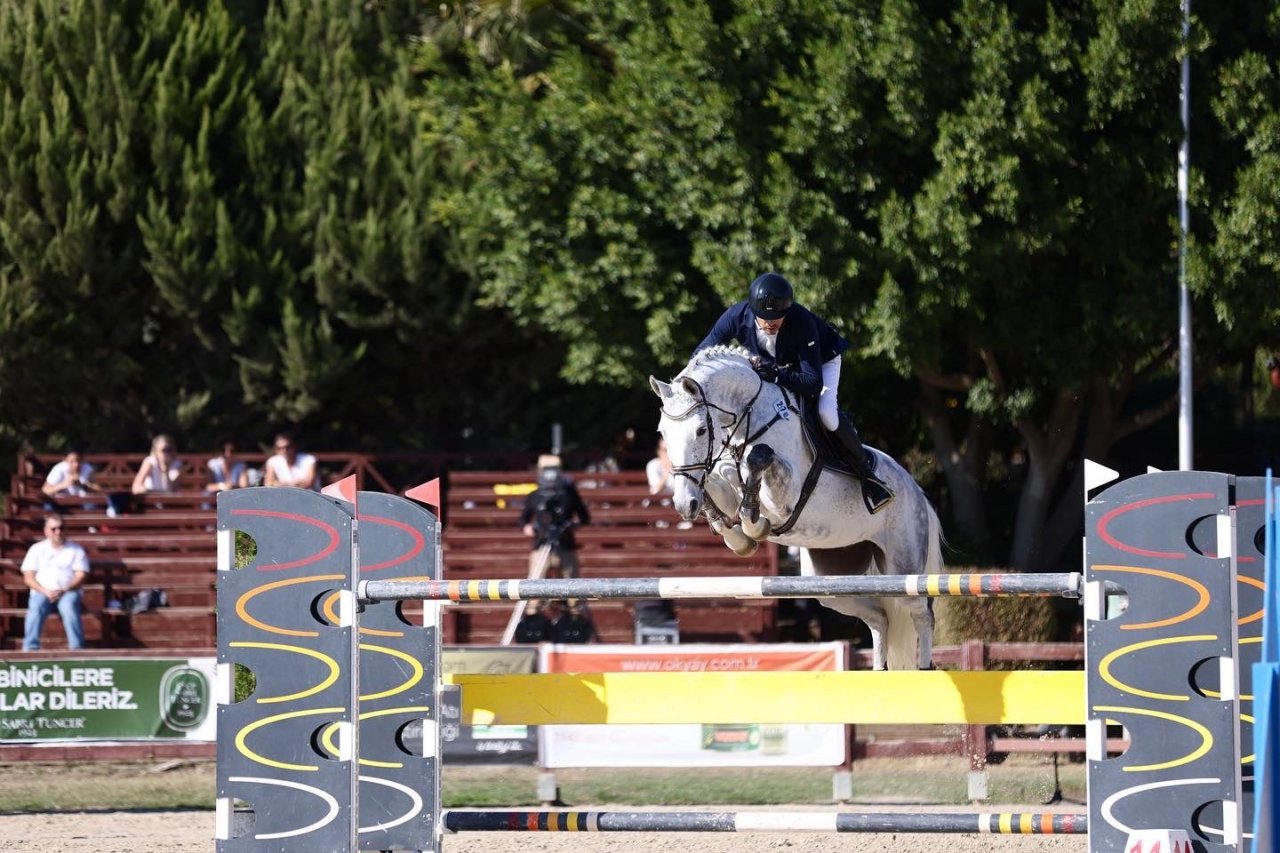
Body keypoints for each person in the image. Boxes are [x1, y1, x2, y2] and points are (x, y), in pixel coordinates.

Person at [694, 271, 893, 513]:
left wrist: (777, 374)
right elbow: (703, 352)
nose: (770, 323)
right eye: (764, 317)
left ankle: (868, 476)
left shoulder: (801, 321)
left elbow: (811, 382)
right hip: (780, 366)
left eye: (777, 318)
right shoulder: (736, 315)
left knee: (826, 413)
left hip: (821, 363)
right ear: (752, 310)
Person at [21, 513, 89, 650]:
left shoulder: (76, 550)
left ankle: (77, 649)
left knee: (69, 607)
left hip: (68, 591)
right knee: (36, 607)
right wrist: (45, 591)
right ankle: (30, 649)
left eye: (61, 528)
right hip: (42, 591)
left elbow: (81, 575)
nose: (58, 532)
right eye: (53, 529)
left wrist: (64, 589)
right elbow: (28, 577)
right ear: (46, 531)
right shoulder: (36, 549)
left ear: (66, 530)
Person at [520, 455, 591, 577]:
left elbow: (584, 517)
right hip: (542, 545)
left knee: (572, 588)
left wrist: (571, 525)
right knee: (535, 585)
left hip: (565, 546)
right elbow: (523, 519)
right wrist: (528, 528)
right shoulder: (535, 496)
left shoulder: (569, 495)